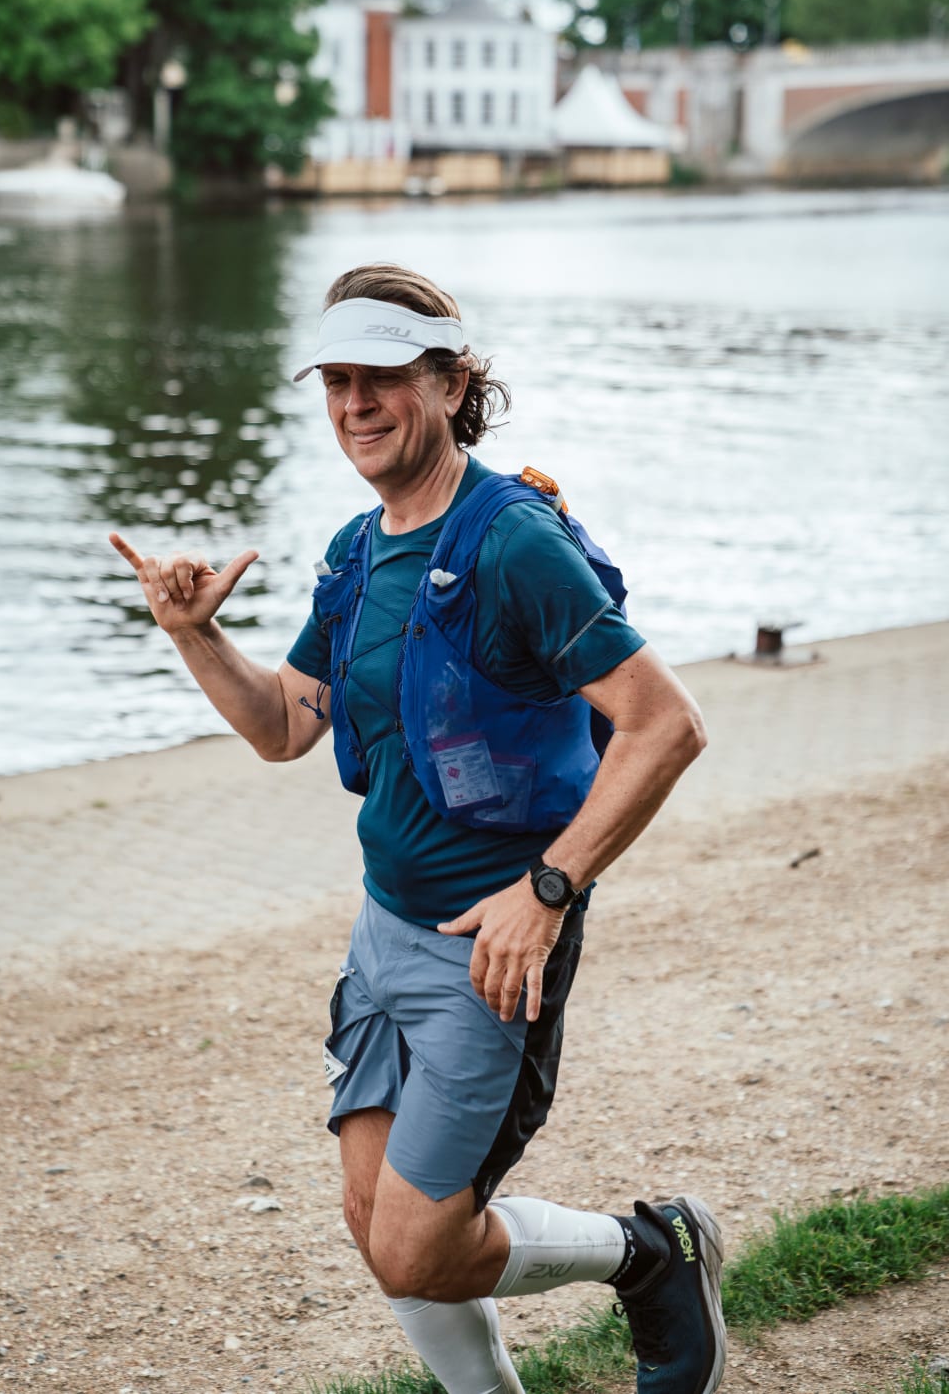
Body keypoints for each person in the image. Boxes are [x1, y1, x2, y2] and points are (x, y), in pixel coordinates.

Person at [109, 263, 725, 1394]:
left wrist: (547, 891)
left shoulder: (514, 542)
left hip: (491, 948)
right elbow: (284, 726)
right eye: (336, 381)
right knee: (375, 1220)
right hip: (382, 932)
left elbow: (665, 724)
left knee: (417, 1244)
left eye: (383, 377)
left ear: (449, 383)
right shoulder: (358, 549)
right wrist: (195, 634)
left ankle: (651, 1252)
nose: (356, 404)